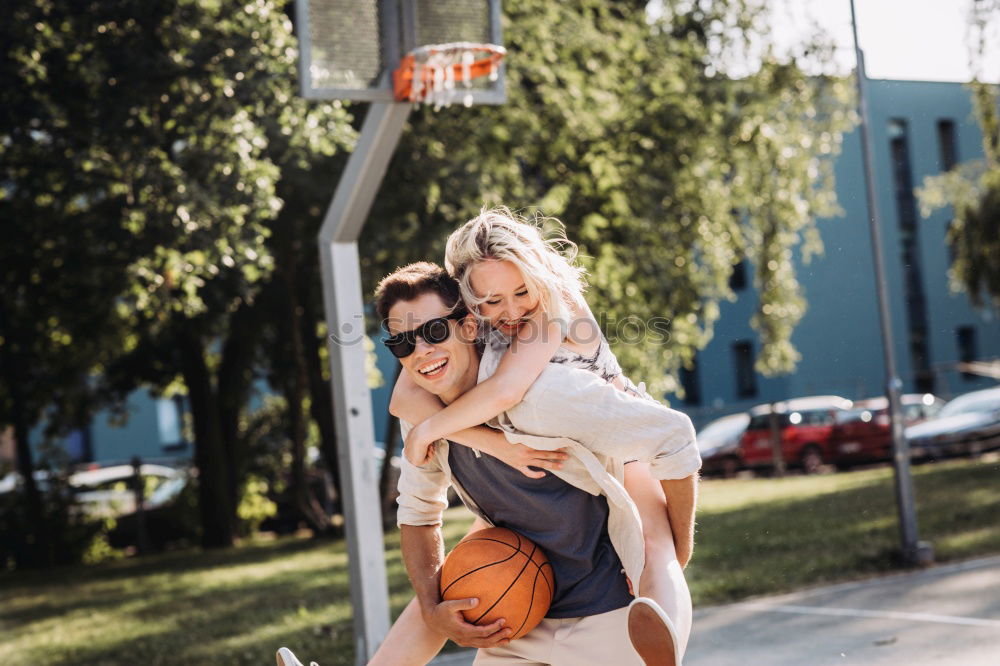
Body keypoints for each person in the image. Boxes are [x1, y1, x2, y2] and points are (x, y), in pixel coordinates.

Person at [387, 209, 697, 664]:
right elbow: (404, 396)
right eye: (490, 302)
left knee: (655, 544)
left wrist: (434, 428)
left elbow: (508, 390)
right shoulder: (473, 327)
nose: (509, 311)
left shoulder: (553, 307)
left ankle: (660, 626)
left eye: (519, 293)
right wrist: (491, 444)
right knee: (458, 578)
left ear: (537, 275)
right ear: (469, 303)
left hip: (617, 440)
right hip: (560, 446)